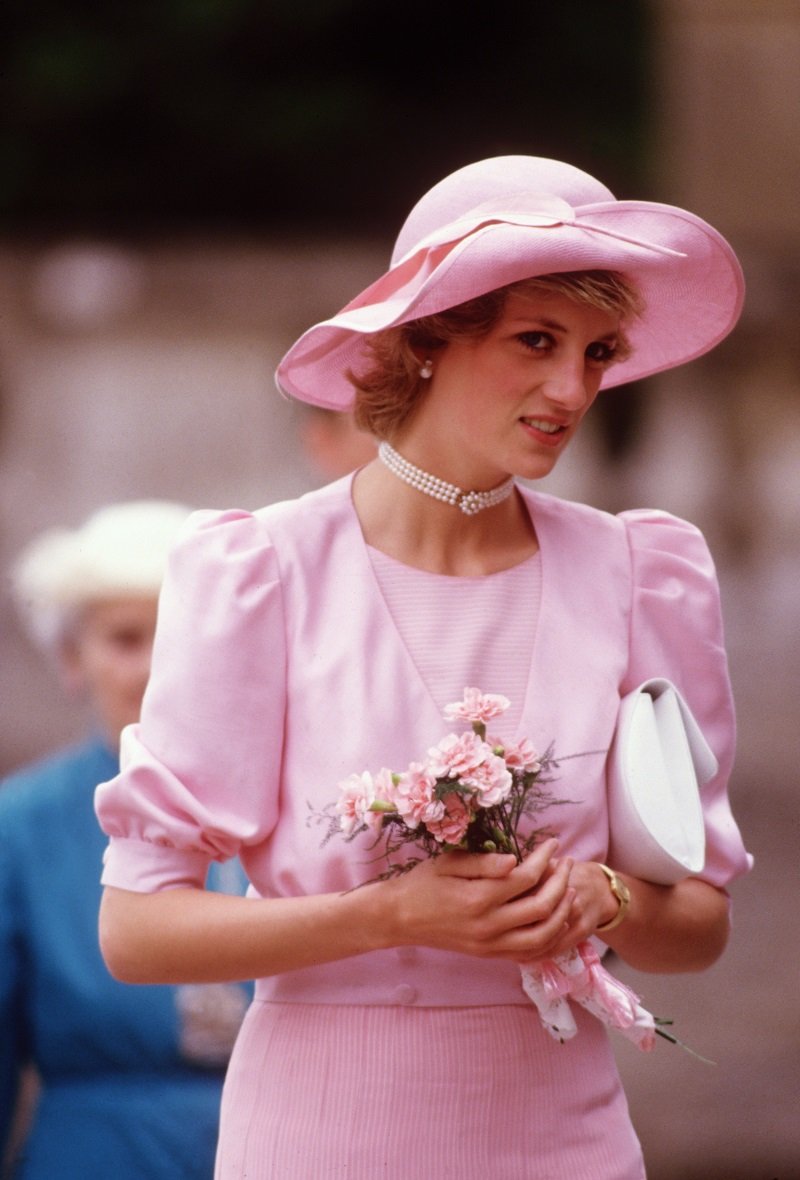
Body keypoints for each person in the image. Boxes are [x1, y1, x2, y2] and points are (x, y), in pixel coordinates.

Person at [95, 156, 753, 1179]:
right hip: (320, 1134)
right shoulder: (259, 571)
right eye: (535, 341)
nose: (571, 387)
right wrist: (387, 913)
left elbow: (698, 922)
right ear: (425, 341)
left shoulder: (639, 570)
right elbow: (136, 930)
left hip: (563, 1137)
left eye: (596, 352)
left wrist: (600, 897)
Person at [0, 501, 250, 1180]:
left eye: (180, 635)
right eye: (126, 638)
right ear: (70, 659)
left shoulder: (293, 805)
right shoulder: (17, 825)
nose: (156, 666)